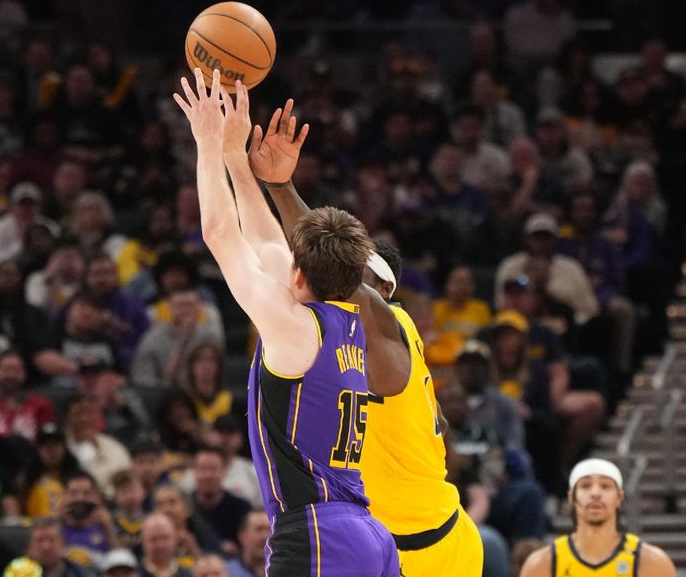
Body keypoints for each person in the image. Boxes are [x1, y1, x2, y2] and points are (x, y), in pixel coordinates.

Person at [174, 69, 401, 576]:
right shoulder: (346, 322)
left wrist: (208, 143)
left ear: (300, 274)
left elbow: (221, 235)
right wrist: (237, 158)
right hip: (368, 533)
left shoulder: (295, 329)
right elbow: (269, 245)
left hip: (319, 534)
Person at [258, 97, 484, 574]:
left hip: (430, 553)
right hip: (382, 542)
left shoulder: (387, 323)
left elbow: (324, 253)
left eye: (356, 275)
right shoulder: (327, 339)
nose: (338, 279)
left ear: (382, 290)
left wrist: (280, 187)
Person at [520, 459, 676, 576]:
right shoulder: (542, 564)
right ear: (571, 497)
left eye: (605, 486)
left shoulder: (651, 562)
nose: (595, 493)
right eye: (586, 486)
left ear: (619, 497)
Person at [225, 510, 269, 577]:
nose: (264, 537)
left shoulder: (286, 570)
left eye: (269, 530)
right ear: (242, 536)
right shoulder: (226, 572)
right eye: (259, 529)